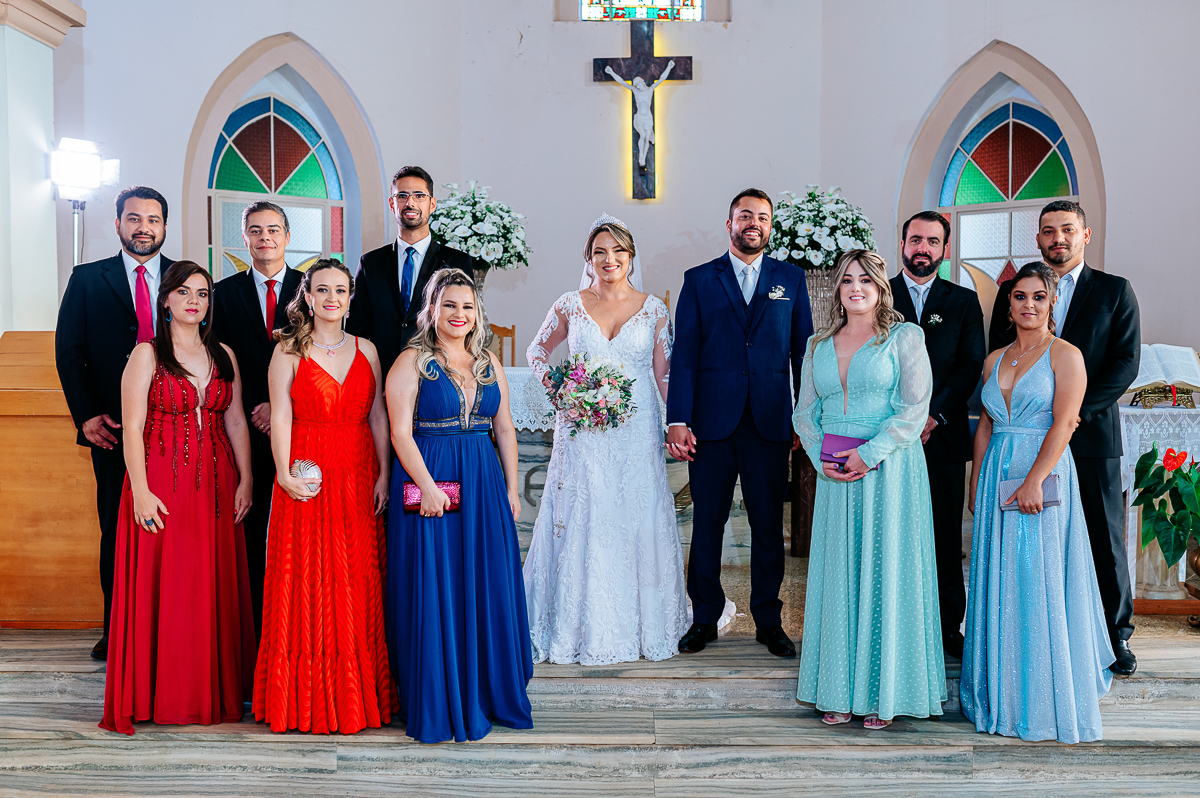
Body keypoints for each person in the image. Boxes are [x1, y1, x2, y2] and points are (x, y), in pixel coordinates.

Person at [99, 260, 256, 735]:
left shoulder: (224, 354)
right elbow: (132, 428)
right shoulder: (146, 354)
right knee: (170, 588)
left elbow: (235, 420)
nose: (194, 301)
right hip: (161, 484)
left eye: (202, 293)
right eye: (184, 292)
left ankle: (211, 691)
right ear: (165, 299)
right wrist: (140, 492)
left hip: (219, 485)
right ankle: (164, 694)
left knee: (209, 586)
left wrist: (247, 479)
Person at [524, 214, 687, 665]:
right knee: (585, 512)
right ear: (588, 258)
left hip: (636, 432)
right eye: (600, 251)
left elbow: (664, 375)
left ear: (631, 257)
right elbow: (536, 352)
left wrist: (678, 422)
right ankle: (573, 624)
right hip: (582, 432)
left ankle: (642, 623)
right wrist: (562, 390)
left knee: (634, 514)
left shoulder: (655, 309)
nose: (609, 258)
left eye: (618, 251)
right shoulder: (570, 304)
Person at [792, 250, 946, 729]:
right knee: (839, 574)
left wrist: (869, 454)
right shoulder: (817, 344)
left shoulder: (904, 337)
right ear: (836, 289)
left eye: (865, 280)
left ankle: (885, 692)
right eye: (846, 280)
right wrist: (822, 459)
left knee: (886, 571)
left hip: (889, 471)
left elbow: (914, 409)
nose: (855, 288)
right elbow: (804, 413)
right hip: (836, 474)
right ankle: (837, 688)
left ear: (881, 288)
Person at [963, 262, 1114, 743]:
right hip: (996, 474)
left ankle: (1041, 699)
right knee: (999, 578)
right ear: (1008, 305)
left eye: (1038, 297)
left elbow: (1065, 423)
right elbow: (985, 425)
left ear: (1052, 303)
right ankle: (1000, 692)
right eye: (1020, 296)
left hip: (1042, 474)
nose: (1028, 305)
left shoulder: (1065, 355)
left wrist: (1033, 481)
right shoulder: (994, 359)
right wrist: (976, 482)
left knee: (1037, 577)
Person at [988, 200, 1141, 676]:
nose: (1058, 238)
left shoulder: (1114, 291)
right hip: (1025, 439)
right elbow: (1000, 358)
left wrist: (1073, 415)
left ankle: (1114, 636)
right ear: (1038, 239)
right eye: (1049, 230)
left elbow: (1125, 362)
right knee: (1031, 541)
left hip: (1091, 436)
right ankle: (1036, 633)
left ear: (1085, 235)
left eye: (1068, 229)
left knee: (1102, 538)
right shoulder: (1013, 292)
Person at [385, 268, 532, 744]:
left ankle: (487, 692)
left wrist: (510, 488)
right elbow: (399, 433)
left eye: (467, 306)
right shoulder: (411, 361)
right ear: (432, 309)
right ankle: (441, 697)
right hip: (431, 477)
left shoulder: (489, 361)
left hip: (483, 481)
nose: (459, 314)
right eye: (449, 305)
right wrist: (427, 487)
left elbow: (504, 428)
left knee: (485, 581)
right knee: (438, 584)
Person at [666, 188, 813, 657]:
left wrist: (804, 416)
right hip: (711, 423)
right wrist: (678, 419)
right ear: (729, 223)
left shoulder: (790, 278)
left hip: (770, 422)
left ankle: (769, 621)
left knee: (768, 526)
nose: (754, 223)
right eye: (745, 215)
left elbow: (804, 354)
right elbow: (684, 355)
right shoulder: (699, 279)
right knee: (707, 523)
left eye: (763, 217)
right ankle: (703, 618)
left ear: (771, 226)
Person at [252, 259, 396, 735]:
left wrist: (385, 474)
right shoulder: (287, 350)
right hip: (307, 473)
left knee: (355, 580)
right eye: (322, 290)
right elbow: (281, 416)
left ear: (350, 298)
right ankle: (301, 700)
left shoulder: (368, 349)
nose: (332, 297)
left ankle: (357, 697)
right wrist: (282, 473)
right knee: (305, 579)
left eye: (340, 290)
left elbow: (378, 415)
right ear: (308, 297)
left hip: (358, 472)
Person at [55, 186, 176, 661]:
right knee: (117, 527)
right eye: (134, 218)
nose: (144, 227)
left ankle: (169, 626)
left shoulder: (184, 279)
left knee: (173, 528)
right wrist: (86, 415)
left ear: (164, 225)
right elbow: (69, 352)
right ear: (118, 223)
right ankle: (117, 629)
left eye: (153, 219)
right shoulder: (88, 278)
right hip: (112, 429)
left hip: (175, 430)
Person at [890, 211, 986, 660]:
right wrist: (904, 419)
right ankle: (895, 624)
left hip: (941, 437)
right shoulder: (878, 293)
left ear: (945, 249)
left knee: (945, 536)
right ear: (902, 244)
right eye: (915, 240)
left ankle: (948, 627)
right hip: (888, 438)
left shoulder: (963, 302)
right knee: (892, 535)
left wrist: (933, 415)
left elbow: (970, 365)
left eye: (932, 241)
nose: (922, 248)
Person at [211, 201, 303, 639]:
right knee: (249, 528)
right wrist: (255, 405)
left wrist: (280, 404)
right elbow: (218, 360)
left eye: (273, 229)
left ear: (287, 236)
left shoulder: (313, 289)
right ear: (245, 238)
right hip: (242, 429)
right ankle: (253, 631)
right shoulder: (222, 293)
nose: (264, 237)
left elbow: (325, 355)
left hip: (302, 428)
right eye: (255, 230)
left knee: (295, 534)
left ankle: (292, 624)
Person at [347, 165, 477, 377]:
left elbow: (465, 325)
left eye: (419, 195)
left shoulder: (457, 262)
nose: (410, 203)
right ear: (392, 204)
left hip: (438, 376)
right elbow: (357, 331)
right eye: (402, 196)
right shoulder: (370, 263)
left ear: (432, 204)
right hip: (381, 377)